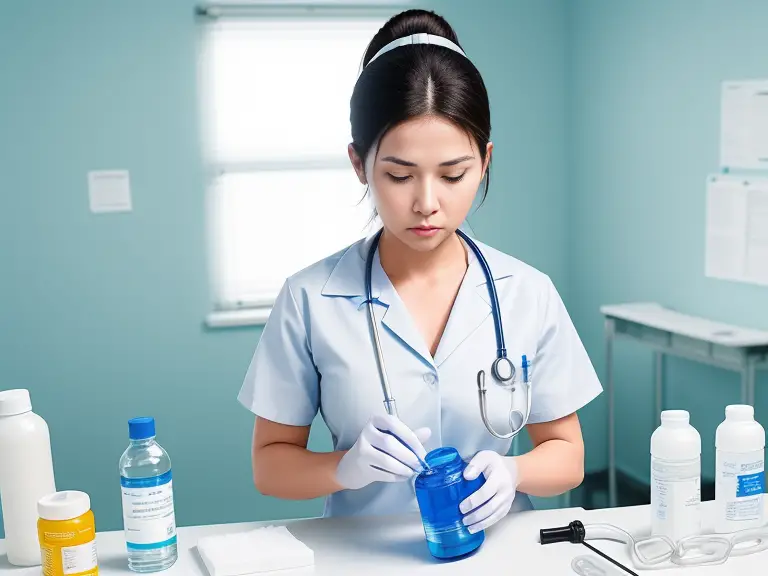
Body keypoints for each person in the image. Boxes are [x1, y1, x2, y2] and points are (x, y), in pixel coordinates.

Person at [237, 9, 602, 535]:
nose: (427, 203)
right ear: (359, 164)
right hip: (360, 558)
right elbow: (270, 466)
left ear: (485, 160)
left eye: (454, 174)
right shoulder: (309, 298)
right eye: (399, 175)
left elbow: (567, 455)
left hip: (500, 554)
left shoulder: (528, 293)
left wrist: (513, 470)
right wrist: (343, 469)